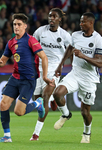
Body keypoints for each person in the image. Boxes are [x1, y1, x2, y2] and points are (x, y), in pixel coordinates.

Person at [0, 13, 54, 143]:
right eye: (15, 24)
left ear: (25, 26)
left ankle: (38, 103)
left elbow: (44, 57)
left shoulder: (31, 40)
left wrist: (44, 76)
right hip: (15, 78)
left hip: (28, 80)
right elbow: (3, 61)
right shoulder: (11, 42)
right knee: (3, 104)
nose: (16, 27)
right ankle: (7, 137)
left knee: (19, 112)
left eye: (19, 24)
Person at [53, 12, 102, 143]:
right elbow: (70, 48)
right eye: (80, 21)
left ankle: (87, 133)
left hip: (89, 79)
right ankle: (66, 114)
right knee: (57, 94)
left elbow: (99, 62)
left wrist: (83, 56)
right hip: (75, 74)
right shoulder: (75, 35)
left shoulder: (98, 39)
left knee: (85, 112)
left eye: (84, 22)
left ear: (91, 23)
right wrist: (61, 65)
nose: (81, 24)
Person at [30, 8, 72, 141]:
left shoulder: (65, 35)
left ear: (60, 19)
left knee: (44, 98)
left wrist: (63, 64)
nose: (51, 18)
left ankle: (36, 134)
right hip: (40, 69)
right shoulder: (40, 31)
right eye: (50, 16)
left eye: (54, 16)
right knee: (37, 99)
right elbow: (31, 45)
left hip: (54, 69)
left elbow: (71, 49)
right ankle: (55, 101)